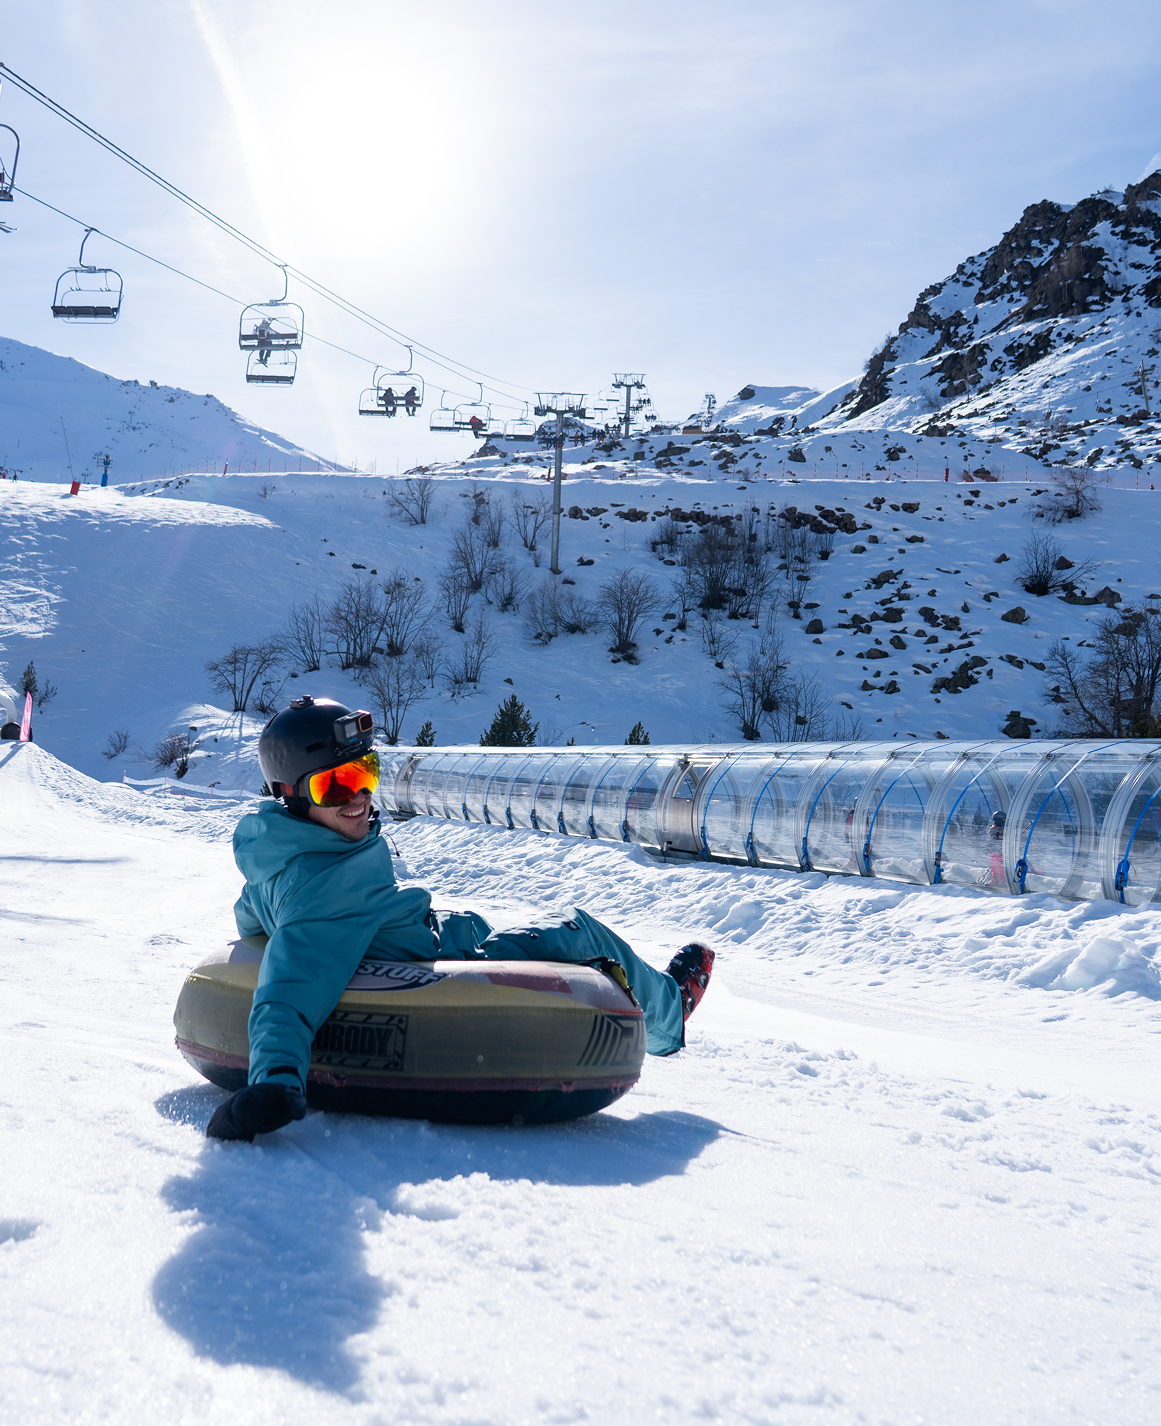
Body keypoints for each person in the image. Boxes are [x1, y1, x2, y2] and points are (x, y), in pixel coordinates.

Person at [207, 697, 714, 1141]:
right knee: (579, 929)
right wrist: (274, 1084)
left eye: (367, 774)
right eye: (337, 786)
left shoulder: (276, 857)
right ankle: (670, 1010)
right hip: (451, 952)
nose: (360, 798)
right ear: (291, 795)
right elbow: (289, 987)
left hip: (413, 928)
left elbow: (253, 917)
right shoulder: (326, 892)